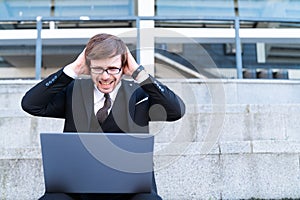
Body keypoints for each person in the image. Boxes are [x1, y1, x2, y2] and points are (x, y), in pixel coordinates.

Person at [21, 33, 185, 200]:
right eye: (98, 69)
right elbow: (31, 104)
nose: (105, 76)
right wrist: (73, 69)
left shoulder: (139, 94)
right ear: (88, 67)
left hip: (130, 193)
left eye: (113, 69)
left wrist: (139, 73)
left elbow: (176, 110)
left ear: (124, 67)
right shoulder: (73, 91)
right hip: (77, 191)